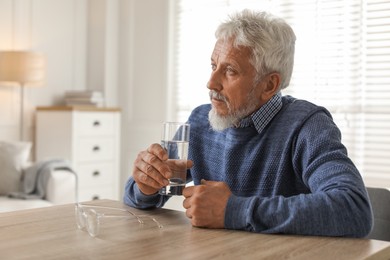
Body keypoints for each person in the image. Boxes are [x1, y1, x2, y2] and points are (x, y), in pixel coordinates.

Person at [123, 9, 373, 237]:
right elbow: (140, 196)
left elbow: (353, 208)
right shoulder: (201, 120)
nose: (211, 83)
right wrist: (146, 185)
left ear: (269, 85)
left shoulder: (307, 125)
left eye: (230, 70)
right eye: (213, 65)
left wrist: (234, 210)